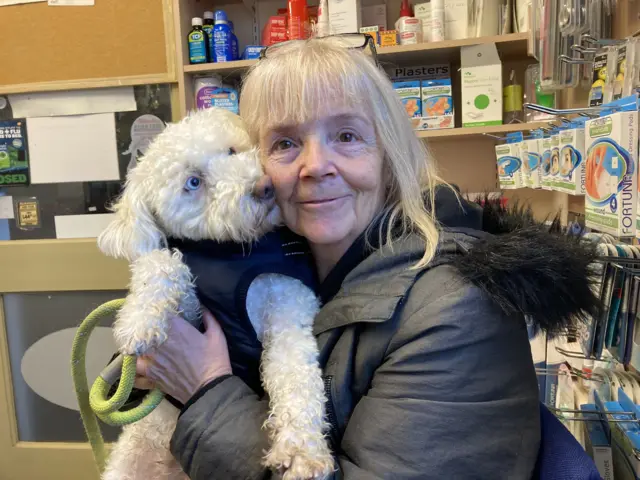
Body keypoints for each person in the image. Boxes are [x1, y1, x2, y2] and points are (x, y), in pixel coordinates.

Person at [135, 36, 599, 479]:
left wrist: (205, 392)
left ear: (388, 152)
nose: (315, 165)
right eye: (284, 143)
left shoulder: (457, 311)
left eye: (346, 135)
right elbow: (152, 366)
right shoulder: (294, 264)